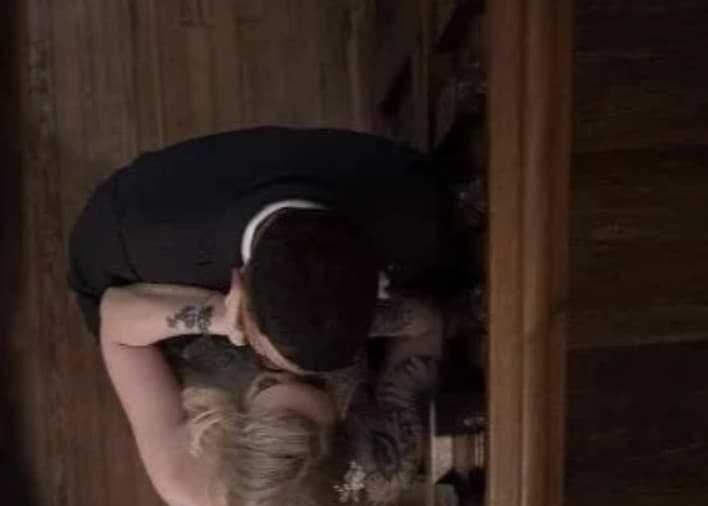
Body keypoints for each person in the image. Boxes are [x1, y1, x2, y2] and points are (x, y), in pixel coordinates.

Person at [97, 280, 443, 506]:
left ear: (236, 427)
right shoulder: (386, 459)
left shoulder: (185, 477)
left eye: (266, 386)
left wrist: (222, 318)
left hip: (185, 312)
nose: (286, 368)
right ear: (346, 430)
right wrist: (339, 320)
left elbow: (114, 316)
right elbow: (427, 323)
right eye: (315, 386)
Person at [68, 127, 454, 373]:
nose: (268, 365)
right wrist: (211, 318)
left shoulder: (415, 213)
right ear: (238, 283)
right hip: (163, 220)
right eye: (263, 351)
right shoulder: (128, 234)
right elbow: (93, 297)